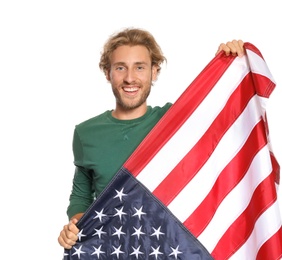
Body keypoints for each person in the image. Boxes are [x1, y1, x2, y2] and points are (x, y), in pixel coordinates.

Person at [58, 27, 245, 249]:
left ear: (154, 72)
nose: (130, 78)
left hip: (169, 247)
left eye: (140, 67)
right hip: (114, 248)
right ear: (107, 73)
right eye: (120, 68)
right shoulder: (85, 133)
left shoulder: (174, 121)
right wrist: (76, 226)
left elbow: (226, 117)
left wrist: (231, 64)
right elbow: (81, 195)